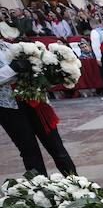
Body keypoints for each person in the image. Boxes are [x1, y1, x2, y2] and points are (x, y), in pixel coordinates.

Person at [0, 36, 78, 177]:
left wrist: (51, 73)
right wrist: (13, 69)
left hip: (35, 101)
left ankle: (77, 185)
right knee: (29, 151)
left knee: (56, 147)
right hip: (9, 107)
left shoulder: (10, 46)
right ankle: (41, 192)